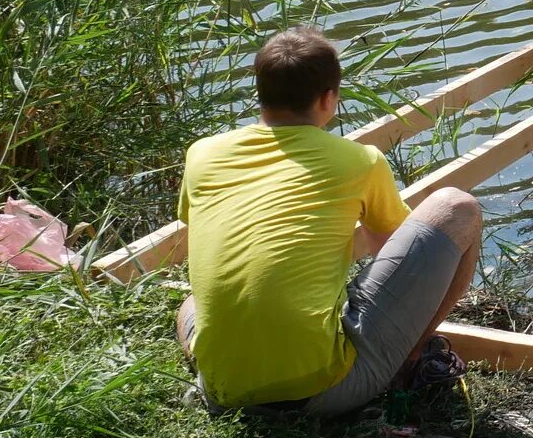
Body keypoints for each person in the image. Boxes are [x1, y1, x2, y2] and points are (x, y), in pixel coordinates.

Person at [174, 27, 483, 415]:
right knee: (458, 207)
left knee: (191, 305)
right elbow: (396, 256)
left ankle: (230, 370)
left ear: (260, 94)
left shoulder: (202, 154)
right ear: (327, 99)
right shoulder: (360, 160)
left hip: (223, 392)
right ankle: (412, 360)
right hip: (322, 392)